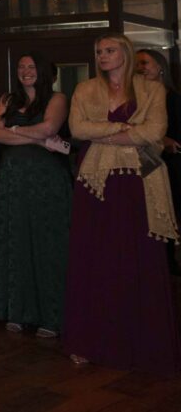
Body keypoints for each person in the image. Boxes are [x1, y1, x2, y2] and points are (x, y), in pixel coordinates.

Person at [65, 34, 180, 373]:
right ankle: (89, 341)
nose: (103, 56)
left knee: (136, 255)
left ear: (126, 54)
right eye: (99, 51)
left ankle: (143, 341)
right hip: (96, 183)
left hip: (138, 183)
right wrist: (122, 129)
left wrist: (105, 134)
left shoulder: (152, 90)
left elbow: (155, 131)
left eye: (110, 50)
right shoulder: (84, 90)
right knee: (95, 256)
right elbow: (77, 128)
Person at [0, 53, 72, 338]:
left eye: (31, 66)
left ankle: (51, 315)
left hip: (46, 179)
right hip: (12, 178)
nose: (25, 71)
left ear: (44, 70)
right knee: (16, 240)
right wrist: (34, 137)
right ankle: (17, 311)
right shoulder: (7, 100)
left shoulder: (57, 99)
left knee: (47, 241)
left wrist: (14, 129)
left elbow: (50, 128)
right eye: (22, 67)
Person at [136, 48, 181, 275]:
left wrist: (161, 138)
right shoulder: (134, 99)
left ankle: (168, 263)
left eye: (145, 63)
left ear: (160, 67)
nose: (140, 68)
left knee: (167, 212)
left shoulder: (173, 98)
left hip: (169, 165)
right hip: (142, 165)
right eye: (137, 64)